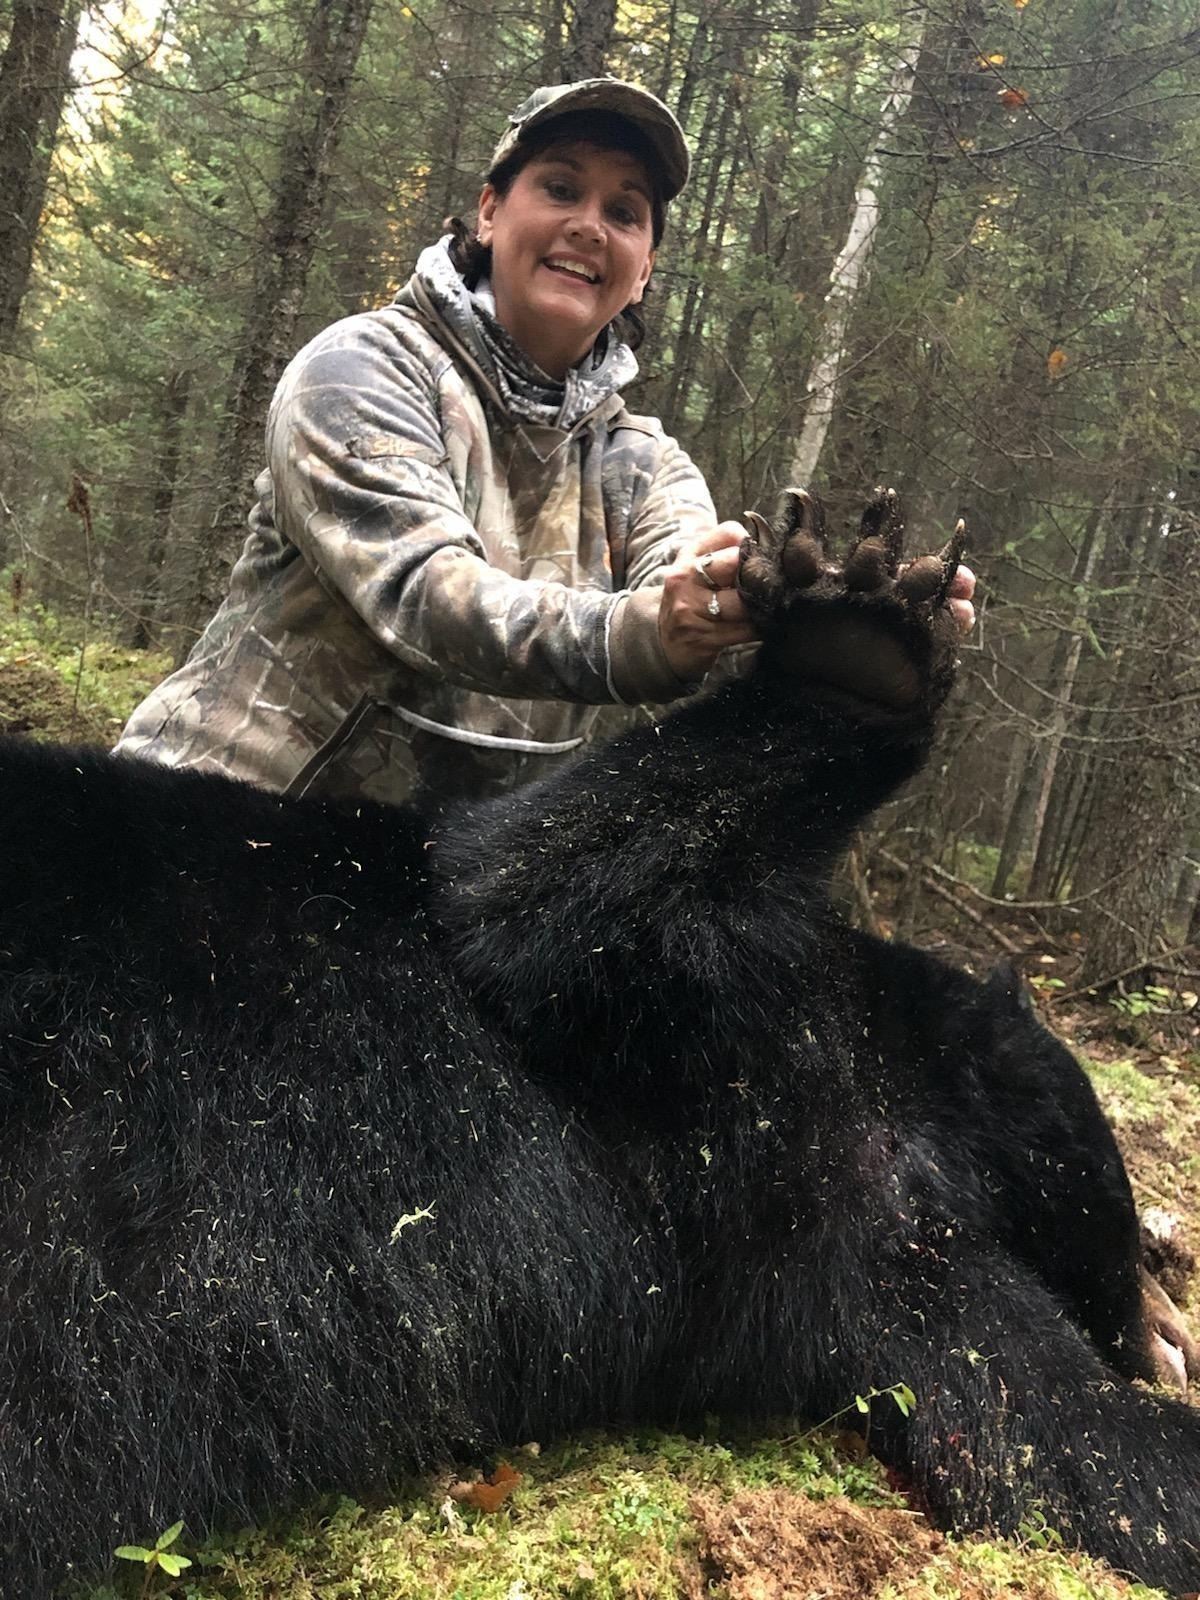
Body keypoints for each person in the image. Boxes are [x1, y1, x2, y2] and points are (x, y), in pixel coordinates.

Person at [116, 79, 973, 810]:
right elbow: (423, 595)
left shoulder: (643, 464)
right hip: (207, 831)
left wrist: (813, 608)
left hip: (432, 896)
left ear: (643, 270)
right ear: (490, 211)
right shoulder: (360, 369)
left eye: (624, 212)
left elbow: (688, 572)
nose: (589, 225)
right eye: (561, 189)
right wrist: (646, 634)